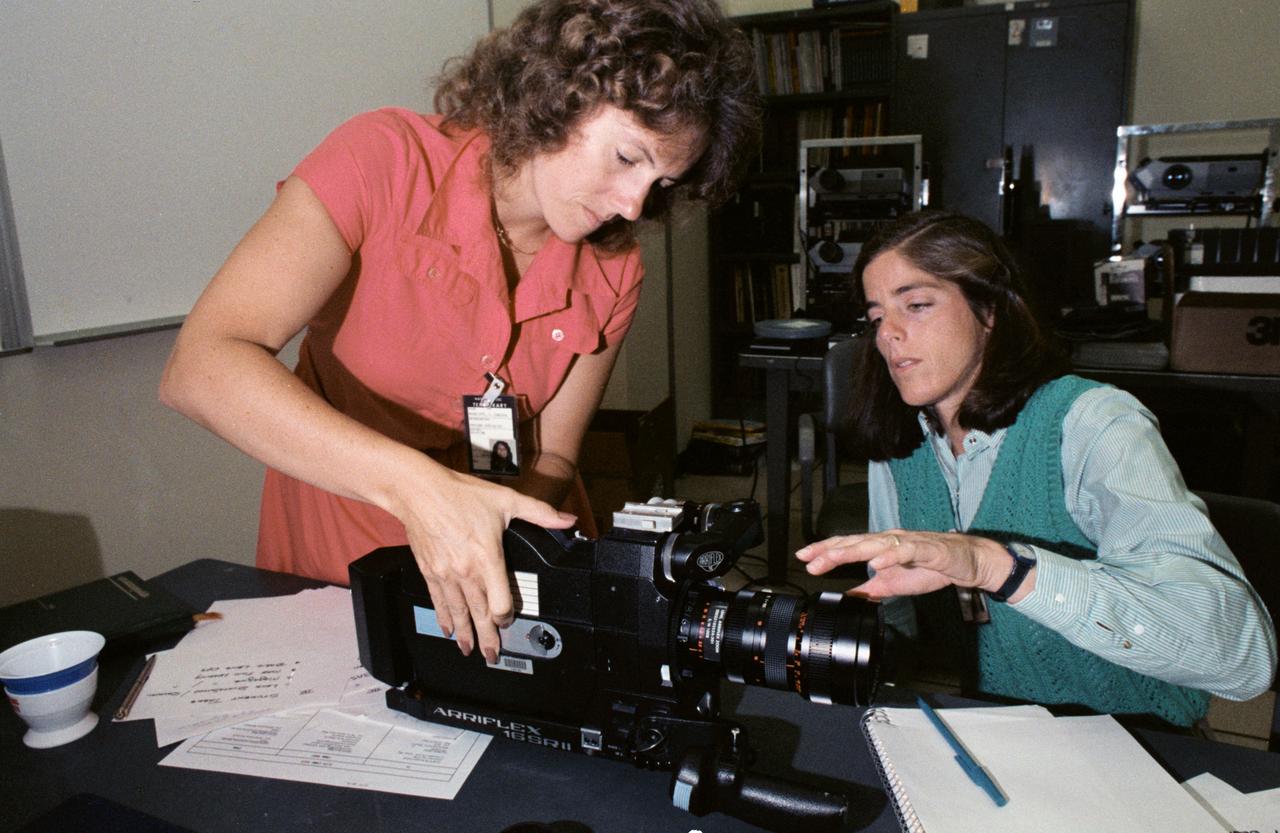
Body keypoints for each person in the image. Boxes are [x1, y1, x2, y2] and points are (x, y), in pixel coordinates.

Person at [159, 0, 760, 665]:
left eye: (661, 181)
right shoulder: (382, 161)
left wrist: (498, 538)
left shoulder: (615, 268)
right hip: (340, 537)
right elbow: (201, 366)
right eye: (626, 157)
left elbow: (555, 458)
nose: (633, 204)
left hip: (497, 555)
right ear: (561, 91)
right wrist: (424, 492)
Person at [796, 210, 1277, 727]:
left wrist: (997, 566)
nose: (888, 334)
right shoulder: (899, 443)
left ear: (989, 311)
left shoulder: (1094, 422)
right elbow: (895, 615)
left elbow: (1243, 660)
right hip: (999, 728)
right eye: (875, 318)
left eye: (915, 305)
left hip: (1137, 737)